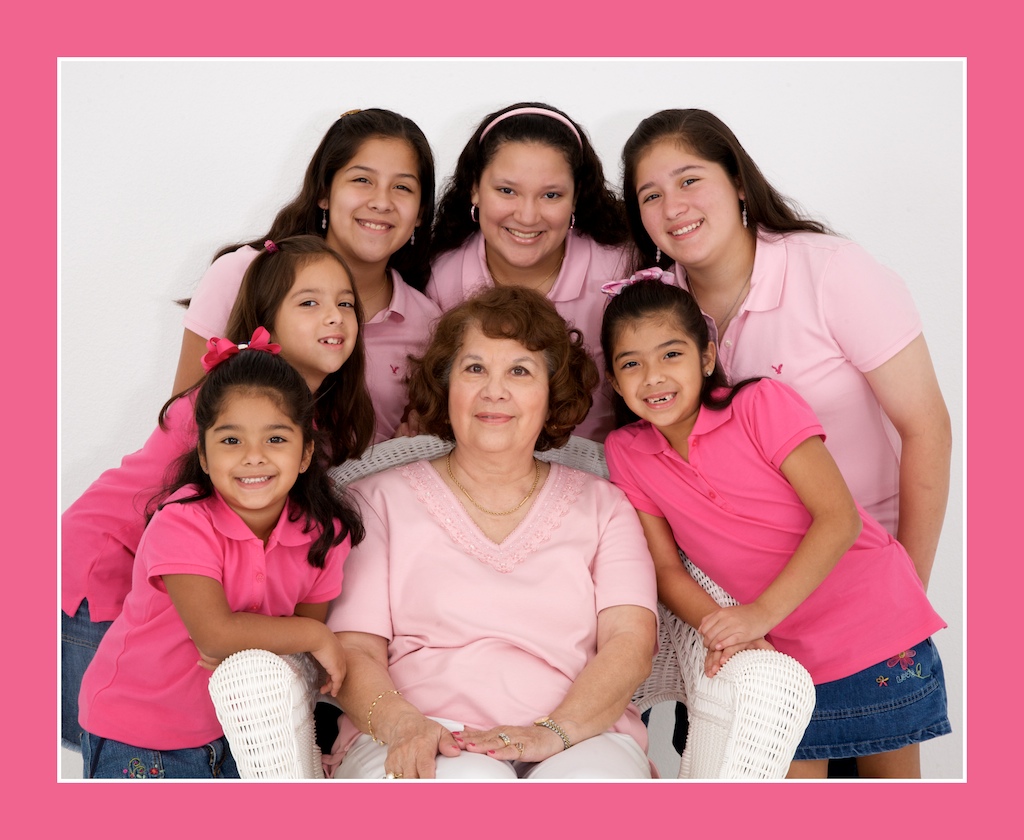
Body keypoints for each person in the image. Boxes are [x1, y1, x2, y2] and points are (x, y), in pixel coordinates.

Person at [621, 109, 953, 770]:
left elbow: (928, 429)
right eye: (650, 194)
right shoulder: (655, 312)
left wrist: (904, 591)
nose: (672, 206)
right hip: (741, 608)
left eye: (690, 180)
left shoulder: (830, 272)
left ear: (739, 183)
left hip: (860, 580)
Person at [601, 277, 950, 778]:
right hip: (781, 660)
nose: (652, 376)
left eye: (670, 354)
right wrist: (724, 627)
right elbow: (664, 567)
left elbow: (839, 519)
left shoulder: (760, 404)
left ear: (705, 356)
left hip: (875, 624)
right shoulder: (627, 452)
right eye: (631, 363)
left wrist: (757, 615)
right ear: (614, 380)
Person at [323, 286, 658, 780]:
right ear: (446, 386)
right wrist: (404, 726)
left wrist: (555, 732)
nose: (493, 390)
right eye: (474, 368)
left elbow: (630, 643)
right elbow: (354, 649)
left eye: (519, 371)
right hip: (419, 731)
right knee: (467, 787)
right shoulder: (376, 502)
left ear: (552, 393)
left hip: (579, 734)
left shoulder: (605, 506)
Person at [62, 236, 374, 752]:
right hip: (110, 559)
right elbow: (169, 513)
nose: (334, 316)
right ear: (265, 322)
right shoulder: (215, 405)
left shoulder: (313, 420)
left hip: (183, 576)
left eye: (345, 303)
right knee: (126, 722)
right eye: (310, 302)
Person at [79, 337, 363, 778]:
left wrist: (294, 638)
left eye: (276, 438)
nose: (254, 457)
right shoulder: (183, 522)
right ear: (205, 456)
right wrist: (309, 635)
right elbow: (216, 635)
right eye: (231, 439)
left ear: (306, 451)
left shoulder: (324, 535)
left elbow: (299, 655)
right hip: (139, 734)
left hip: (241, 737)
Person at [173, 108, 440, 442]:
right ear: (324, 193)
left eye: (402, 187)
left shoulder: (430, 323)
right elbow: (180, 430)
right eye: (362, 180)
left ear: (420, 214)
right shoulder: (241, 274)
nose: (382, 202)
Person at [426, 102, 632, 442]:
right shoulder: (440, 278)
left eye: (551, 195)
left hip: (604, 470)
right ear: (475, 188)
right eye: (507, 191)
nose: (526, 215)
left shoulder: (621, 269)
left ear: (576, 198)